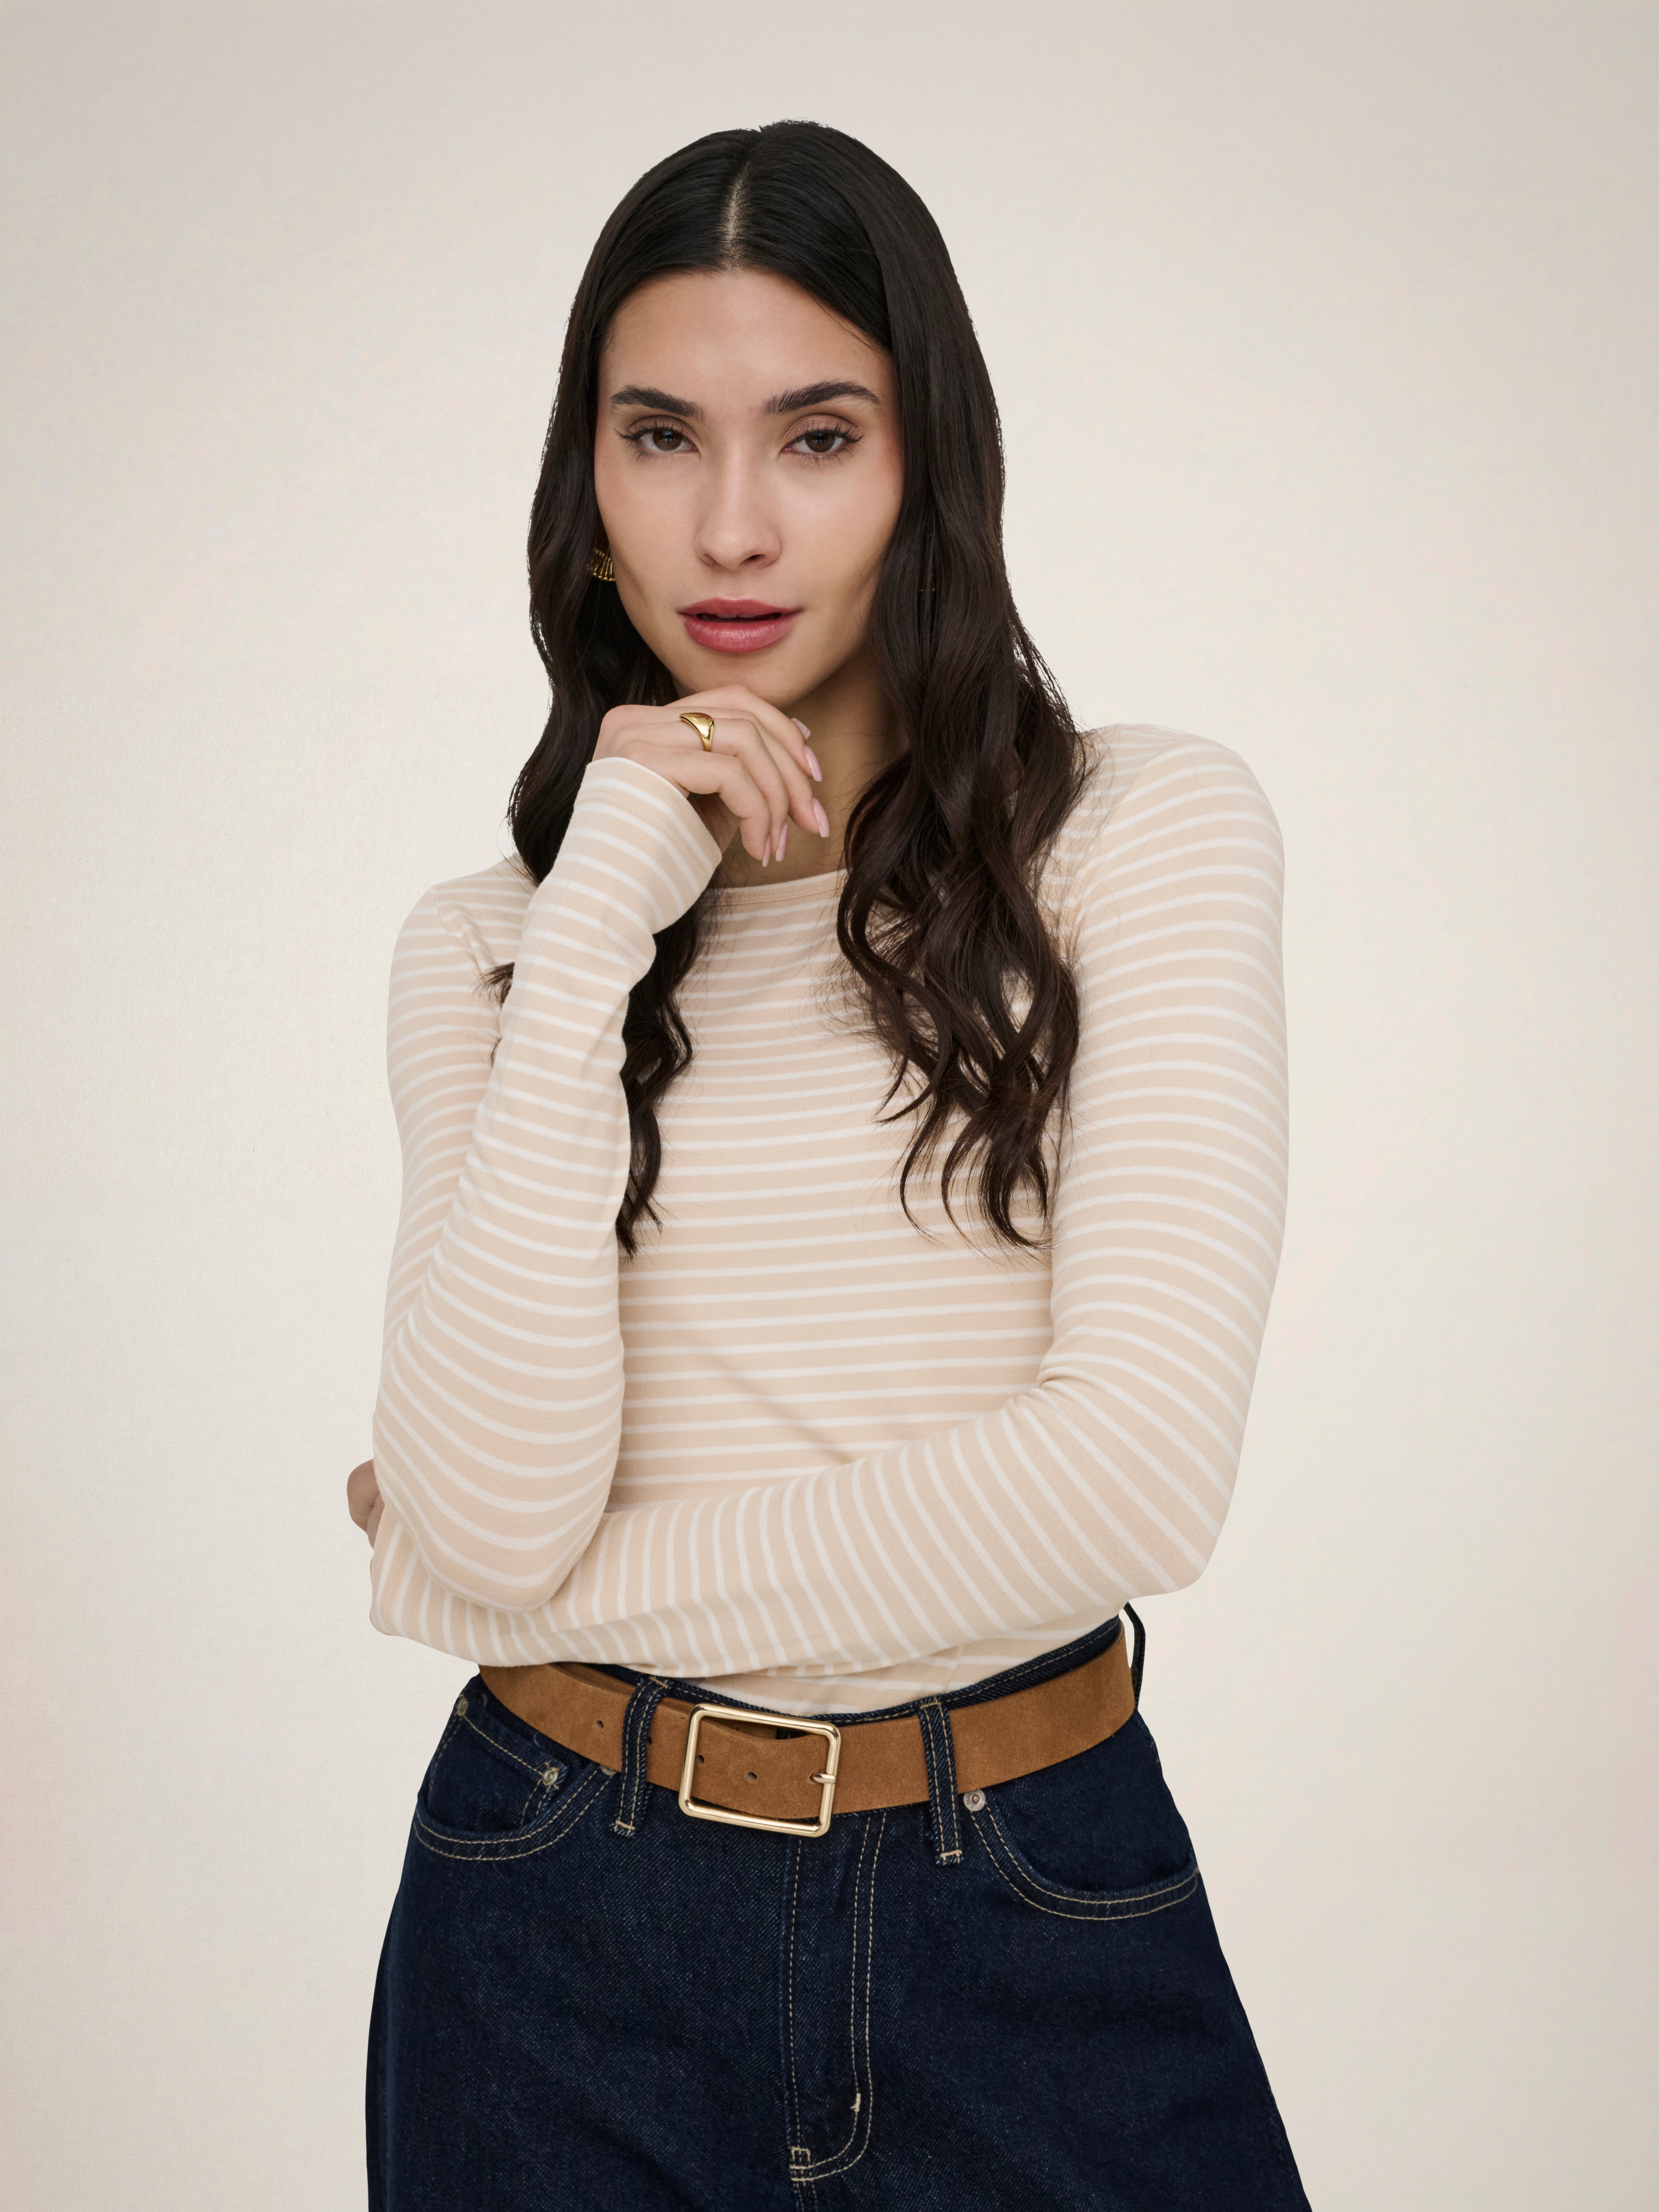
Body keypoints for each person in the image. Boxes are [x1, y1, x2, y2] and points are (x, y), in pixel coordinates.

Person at [346, 119, 1307, 2210]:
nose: (731, 524)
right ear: (584, 487)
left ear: (923, 468)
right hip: (546, 1920)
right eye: (660, 436)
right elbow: (494, 1494)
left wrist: (481, 1593)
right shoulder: (489, 945)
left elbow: (1133, 1475)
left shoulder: (1133, 834)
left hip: (1026, 1893)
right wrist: (603, 900)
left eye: (815, 436)